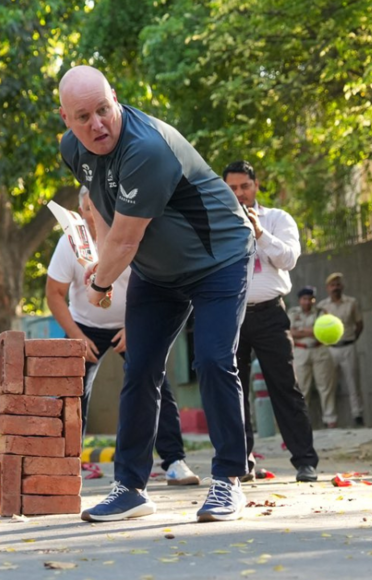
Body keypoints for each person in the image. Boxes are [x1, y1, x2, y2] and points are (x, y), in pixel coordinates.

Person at [59, 66, 254, 524]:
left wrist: (102, 282)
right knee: (141, 366)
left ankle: (228, 480)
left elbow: (125, 241)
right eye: (83, 116)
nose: (97, 125)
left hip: (218, 261)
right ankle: (129, 487)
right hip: (158, 274)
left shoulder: (146, 149)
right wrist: (100, 261)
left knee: (211, 359)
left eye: (103, 110)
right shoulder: (74, 149)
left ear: (116, 98)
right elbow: (104, 211)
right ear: (65, 119)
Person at [46, 187, 199, 487]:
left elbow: (155, 285)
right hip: (83, 325)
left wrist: (134, 327)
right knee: (70, 391)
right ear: (81, 212)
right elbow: (54, 294)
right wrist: (76, 337)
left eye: (99, 206)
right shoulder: (70, 244)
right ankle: (65, 464)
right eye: (88, 208)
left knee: (155, 382)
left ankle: (174, 461)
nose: (94, 214)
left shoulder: (130, 235)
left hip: (133, 322)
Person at [223, 161, 320, 484]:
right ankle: (241, 462)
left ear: (256, 185)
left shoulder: (277, 219)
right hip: (230, 314)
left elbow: (288, 259)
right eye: (232, 189)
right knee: (232, 391)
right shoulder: (216, 222)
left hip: (270, 314)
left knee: (285, 387)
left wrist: (259, 233)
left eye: (244, 187)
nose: (239, 194)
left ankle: (305, 461)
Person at [317, 273, 365, 427]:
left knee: (353, 383)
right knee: (327, 385)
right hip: (329, 349)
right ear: (327, 288)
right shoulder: (322, 306)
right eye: (332, 285)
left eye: (338, 285)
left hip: (348, 346)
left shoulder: (352, 302)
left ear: (342, 286)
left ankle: (357, 416)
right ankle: (329, 418)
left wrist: (351, 338)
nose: (335, 288)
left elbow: (359, 324)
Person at [288, 287, 338, 429]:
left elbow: (324, 331)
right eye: (304, 299)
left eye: (310, 299)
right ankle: (303, 422)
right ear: (300, 300)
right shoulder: (293, 313)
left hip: (319, 349)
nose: (307, 302)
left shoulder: (321, 312)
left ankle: (330, 420)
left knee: (325, 386)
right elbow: (289, 332)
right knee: (302, 388)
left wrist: (302, 331)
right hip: (301, 351)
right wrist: (311, 331)